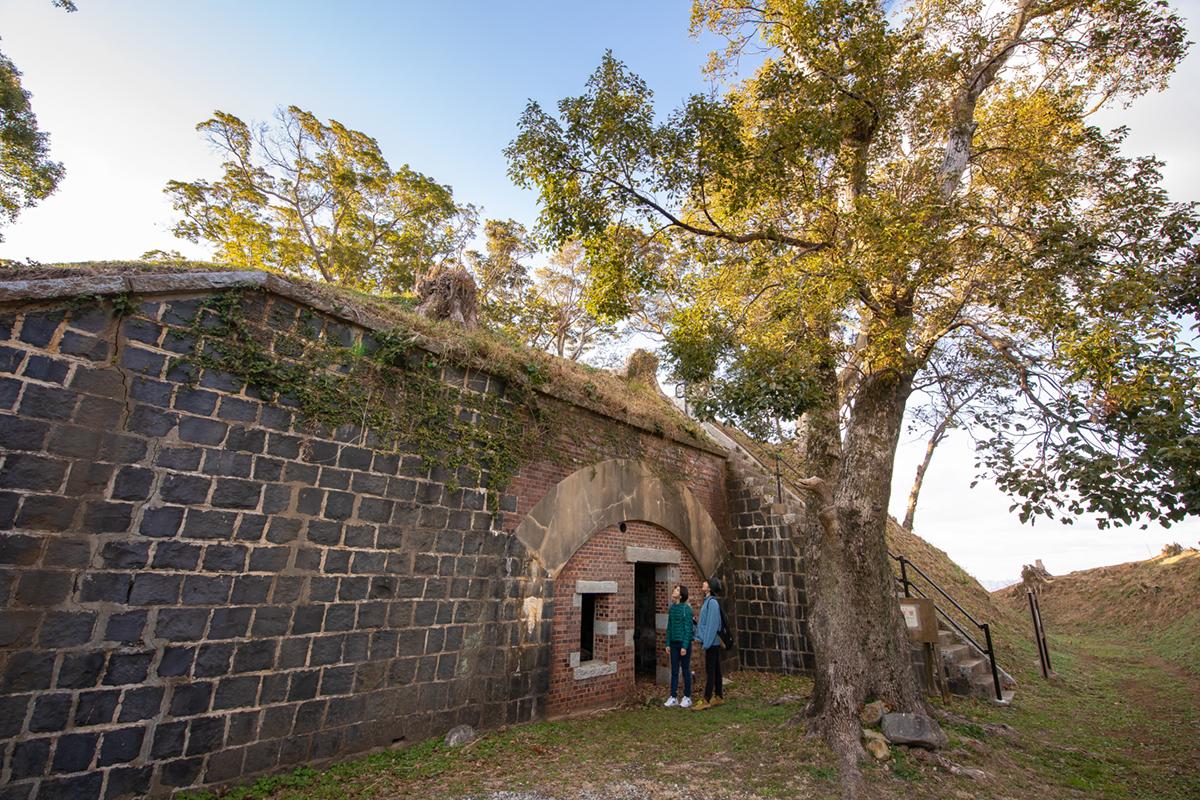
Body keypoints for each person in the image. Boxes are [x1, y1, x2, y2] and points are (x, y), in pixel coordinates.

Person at [692, 577, 724, 709]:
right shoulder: (708, 602)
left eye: (706, 582)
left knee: (710, 670)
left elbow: (712, 626)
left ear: (709, 588)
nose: (703, 583)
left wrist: (706, 643)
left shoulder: (712, 603)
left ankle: (706, 700)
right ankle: (719, 696)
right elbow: (705, 623)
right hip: (711, 642)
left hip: (711, 643)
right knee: (716, 669)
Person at [663, 584, 694, 708]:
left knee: (685, 670)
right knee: (674, 671)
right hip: (674, 643)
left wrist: (685, 646)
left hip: (683, 644)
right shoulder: (671, 608)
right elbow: (669, 627)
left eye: (676, 590)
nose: (674, 591)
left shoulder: (687, 609)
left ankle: (687, 697)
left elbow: (688, 629)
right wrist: (667, 643)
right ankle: (673, 696)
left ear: (681, 595)